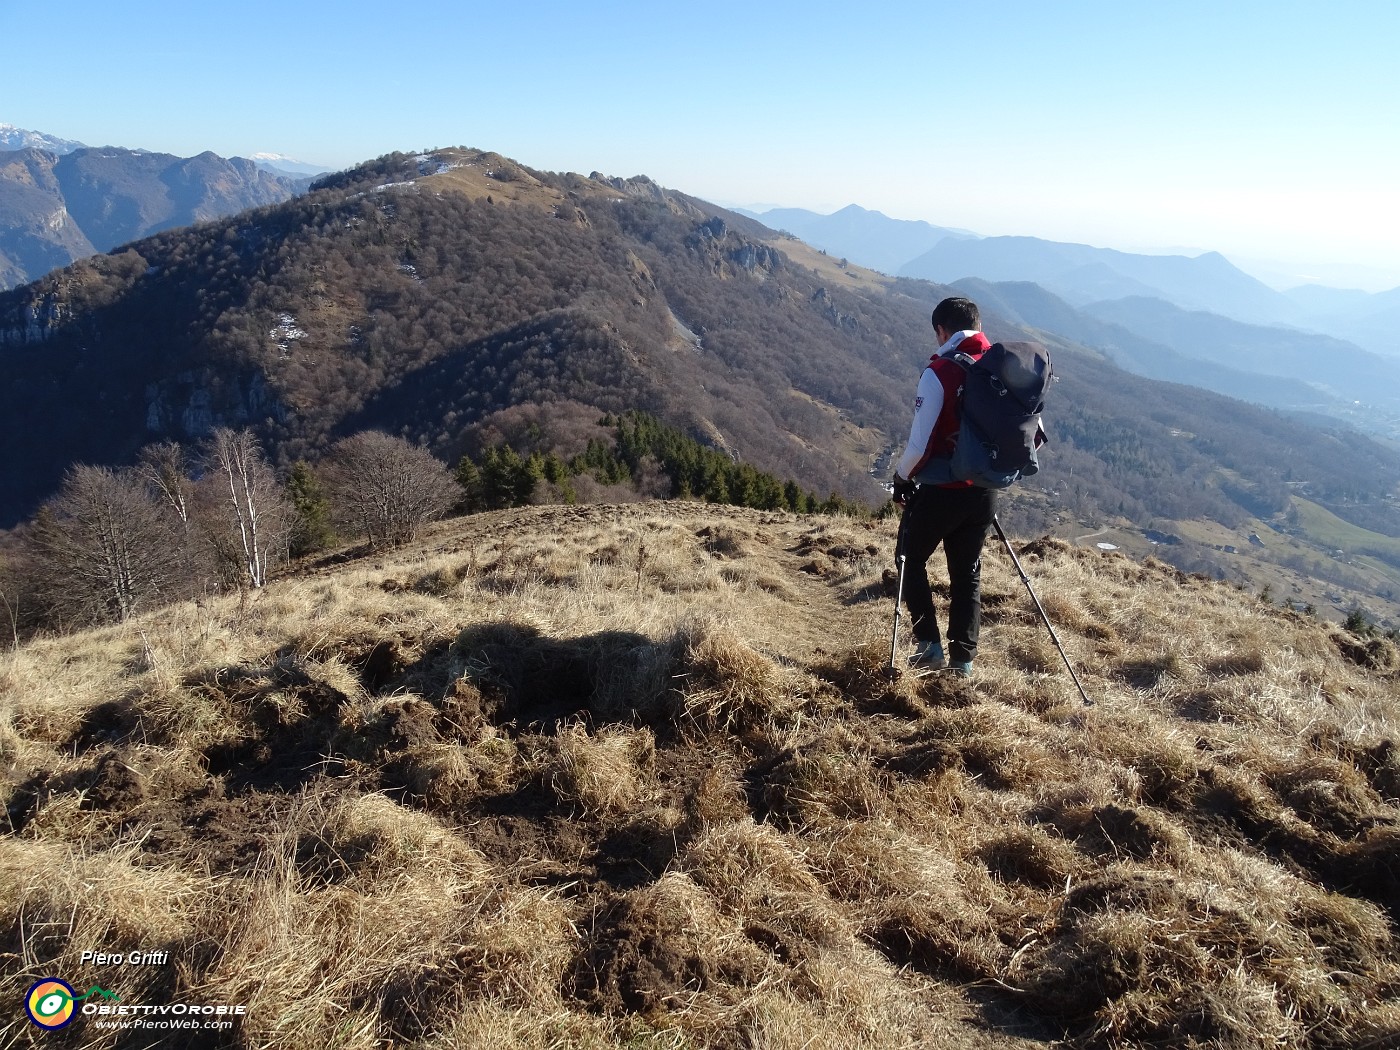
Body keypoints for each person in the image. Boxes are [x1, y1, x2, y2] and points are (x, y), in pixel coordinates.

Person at [891, 296, 996, 676]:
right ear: (979, 324)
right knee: (966, 571)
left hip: (941, 491)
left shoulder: (939, 372)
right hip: (983, 492)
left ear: (941, 330)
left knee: (909, 558)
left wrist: (901, 479)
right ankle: (963, 662)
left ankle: (928, 645)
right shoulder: (1001, 369)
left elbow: (920, 444)